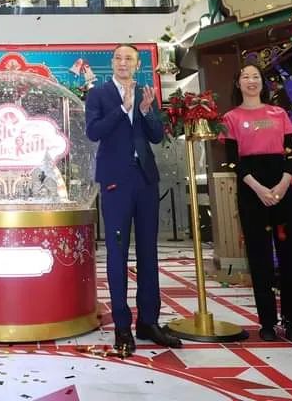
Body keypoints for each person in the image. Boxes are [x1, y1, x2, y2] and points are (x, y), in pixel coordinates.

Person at [84, 44, 181, 356]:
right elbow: (93, 132)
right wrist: (122, 110)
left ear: (137, 65)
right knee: (117, 254)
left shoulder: (145, 93)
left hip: (145, 181)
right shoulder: (98, 94)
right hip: (115, 182)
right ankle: (123, 326)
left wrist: (146, 111)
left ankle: (148, 321)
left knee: (148, 252)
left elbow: (156, 136)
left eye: (129, 59)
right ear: (112, 62)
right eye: (118, 58)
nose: (123, 62)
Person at [220, 65, 292, 341]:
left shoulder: (278, 113)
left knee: (290, 254)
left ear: (263, 82)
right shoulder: (230, 118)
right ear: (237, 83)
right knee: (259, 257)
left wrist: (282, 185)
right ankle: (267, 322)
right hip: (251, 190)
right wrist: (259, 189)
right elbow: (233, 161)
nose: (251, 81)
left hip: (283, 188)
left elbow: (291, 155)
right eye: (245, 76)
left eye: (256, 77)